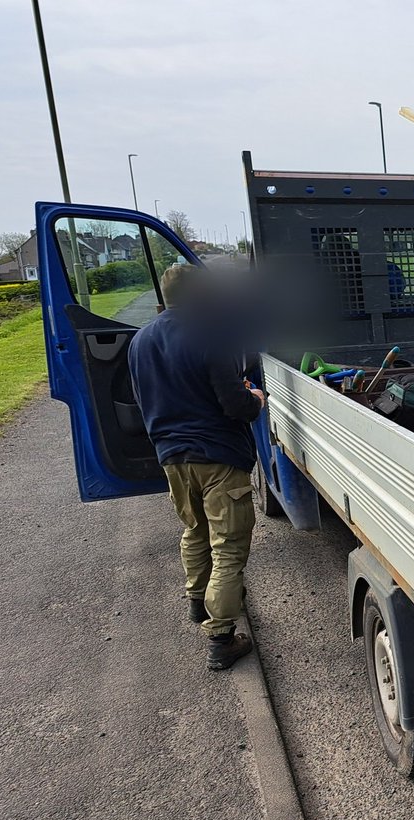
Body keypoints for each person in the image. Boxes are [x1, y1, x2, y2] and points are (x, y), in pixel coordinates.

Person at [128, 265, 265, 670]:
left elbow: (144, 400)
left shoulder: (139, 341)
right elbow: (236, 406)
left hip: (172, 457)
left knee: (194, 530)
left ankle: (197, 600)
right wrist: (255, 398)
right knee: (229, 548)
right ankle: (221, 638)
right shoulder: (210, 336)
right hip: (218, 456)